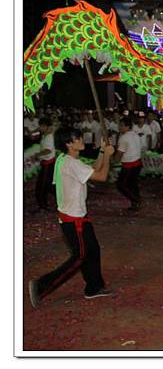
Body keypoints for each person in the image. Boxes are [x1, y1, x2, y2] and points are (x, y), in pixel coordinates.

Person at [28, 127, 115, 308]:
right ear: (68, 143)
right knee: (80, 257)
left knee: (93, 251)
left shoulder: (64, 160)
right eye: (77, 138)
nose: (81, 140)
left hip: (76, 217)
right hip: (74, 221)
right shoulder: (71, 163)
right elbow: (101, 175)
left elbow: (92, 169)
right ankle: (40, 286)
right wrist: (107, 155)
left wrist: (101, 151)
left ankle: (94, 287)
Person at [113, 117, 143, 211]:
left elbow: (119, 155)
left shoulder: (124, 138)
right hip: (137, 163)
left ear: (127, 126)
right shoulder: (135, 135)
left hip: (129, 165)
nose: (119, 127)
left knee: (121, 185)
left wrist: (112, 160)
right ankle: (135, 202)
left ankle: (136, 200)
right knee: (132, 184)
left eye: (121, 125)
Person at [34, 118, 56, 211]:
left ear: (46, 127)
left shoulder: (49, 137)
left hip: (48, 164)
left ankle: (43, 205)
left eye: (41, 126)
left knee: (42, 186)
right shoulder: (44, 135)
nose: (40, 128)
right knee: (49, 185)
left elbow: (48, 150)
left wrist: (37, 154)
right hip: (46, 163)